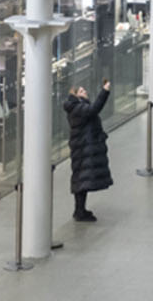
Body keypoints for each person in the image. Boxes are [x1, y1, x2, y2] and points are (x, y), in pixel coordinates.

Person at [63, 80, 112, 222]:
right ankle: (79, 211)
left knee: (82, 180)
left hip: (83, 147)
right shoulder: (77, 108)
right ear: (76, 95)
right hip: (82, 148)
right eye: (82, 91)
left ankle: (80, 210)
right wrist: (105, 91)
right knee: (81, 180)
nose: (85, 92)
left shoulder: (78, 106)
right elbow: (94, 109)